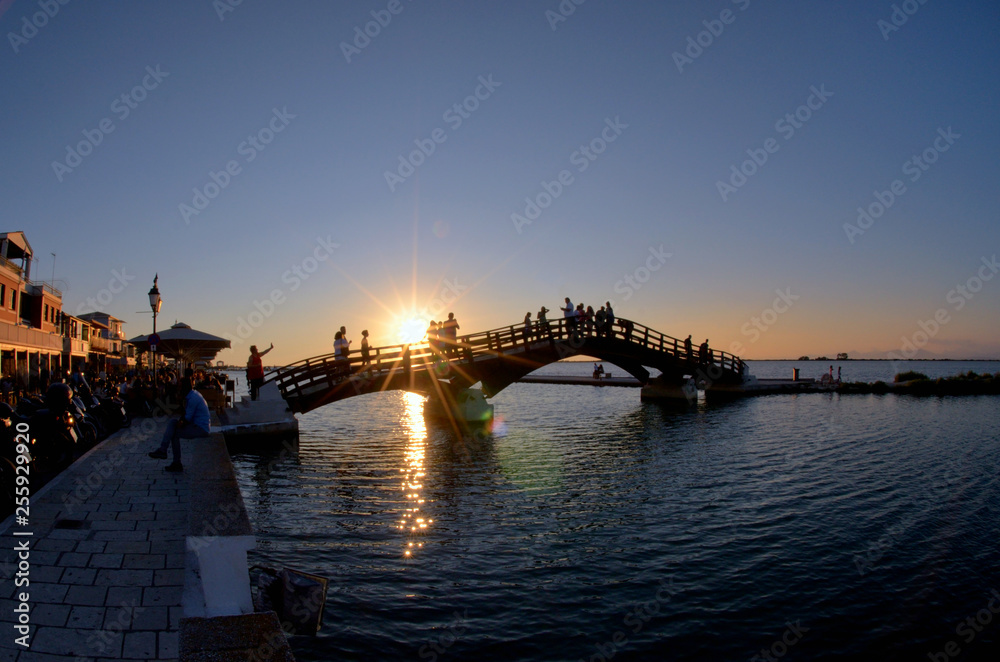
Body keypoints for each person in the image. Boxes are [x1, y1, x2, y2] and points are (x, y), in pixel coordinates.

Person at [148, 376, 210, 472]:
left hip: (201, 428)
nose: (178, 389)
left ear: (184, 388)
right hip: (197, 425)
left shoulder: (193, 398)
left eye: (180, 387)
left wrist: (178, 423)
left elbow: (186, 419)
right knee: (173, 423)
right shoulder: (192, 395)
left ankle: (173, 460)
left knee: (174, 433)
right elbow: (184, 415)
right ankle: (164, 451)